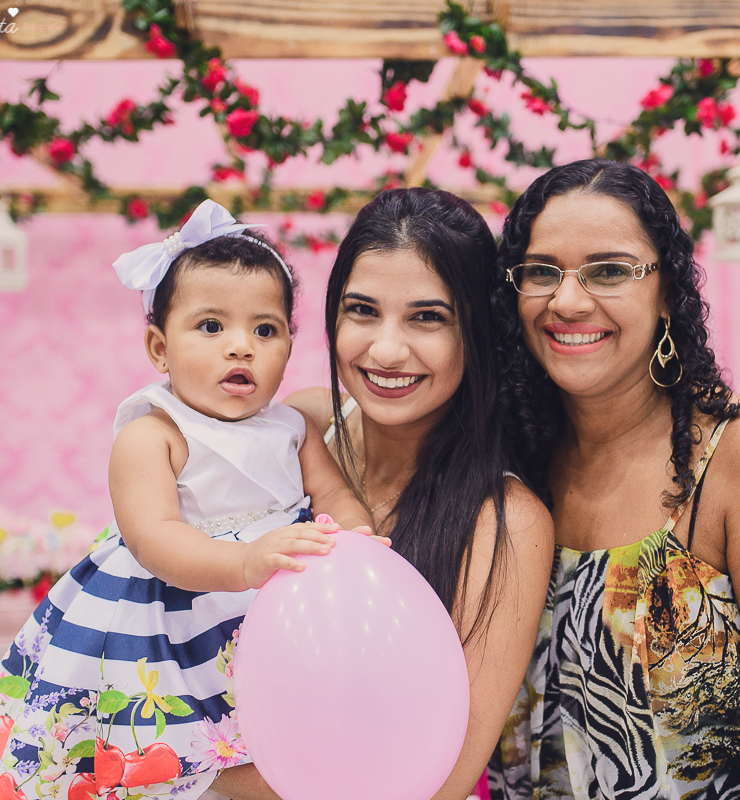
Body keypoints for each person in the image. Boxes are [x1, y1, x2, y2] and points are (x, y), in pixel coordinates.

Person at [0, 200, 372, 800]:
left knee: (275, 742)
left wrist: (357, 543)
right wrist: (245, 565)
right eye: (212, 327)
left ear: (289, 348)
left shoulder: (291, 427)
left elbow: (335, 495)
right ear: (159, 348)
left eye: (264, 329)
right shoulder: (153, 433)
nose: (241, 346)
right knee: (151, 756)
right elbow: (154, 537)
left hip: (266, 613)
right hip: (167, 617)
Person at [487, 160, 740, 800]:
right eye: (542, 272)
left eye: (608, 271)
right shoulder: (512, 467)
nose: (568, 300)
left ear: (667, 291)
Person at [210, 188, 555, 800]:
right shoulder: (300, 432)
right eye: (362, 311)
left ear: (476, 334)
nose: (386, 350)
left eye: (428, 317)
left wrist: (160, 766)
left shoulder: (505, 522)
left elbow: (441, 779)